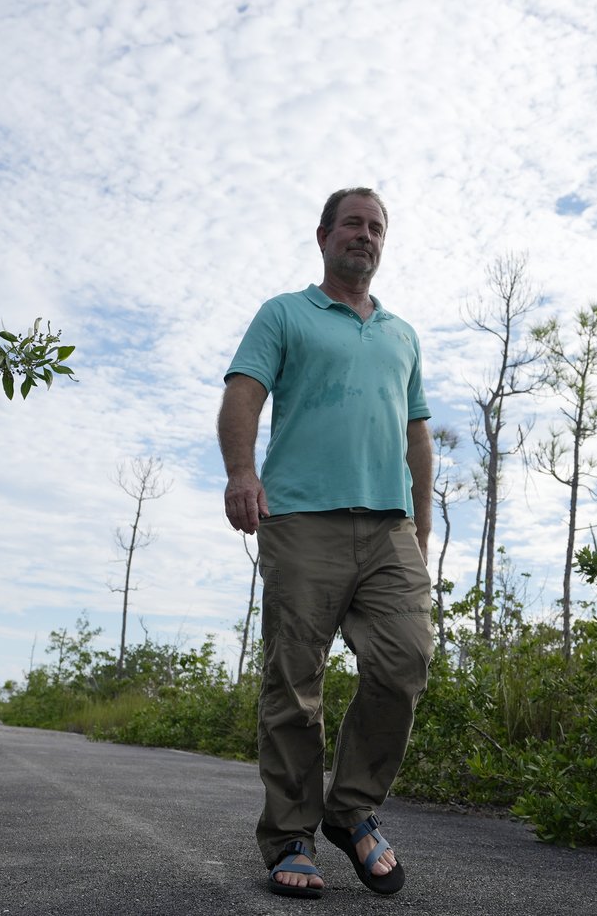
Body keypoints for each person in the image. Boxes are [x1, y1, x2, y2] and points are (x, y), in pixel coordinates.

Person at [217, 187, 435, 899]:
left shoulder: (402, 335)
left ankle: (350, 809)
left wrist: (421, 526)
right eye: (353, 224)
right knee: (294, 680)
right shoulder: (285, 314)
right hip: (302, 519)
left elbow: (416, 435)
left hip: (388, 527)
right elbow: (244, 393)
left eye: (376, 227)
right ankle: (289, 832)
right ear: (323, 235)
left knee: (405, 662)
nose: (364, 236)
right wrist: (242, 472)